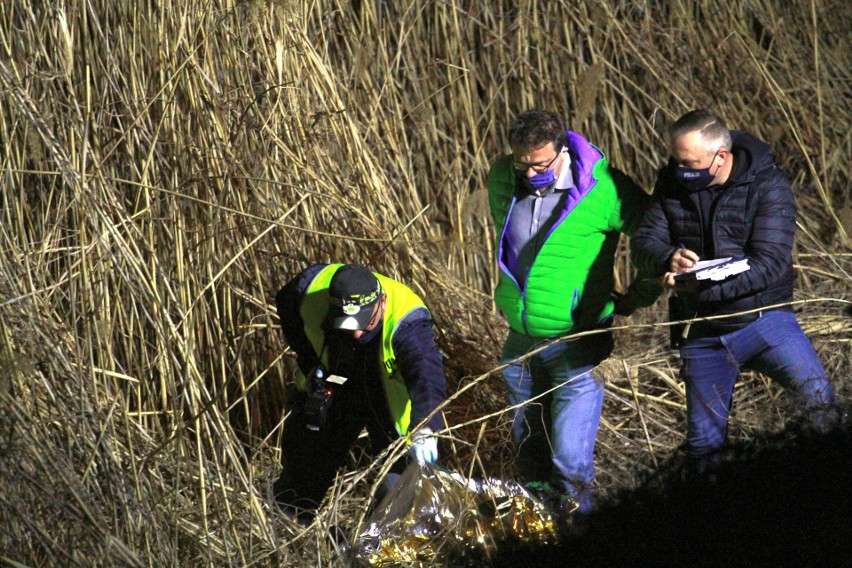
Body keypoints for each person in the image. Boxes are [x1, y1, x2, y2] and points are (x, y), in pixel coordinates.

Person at [631, 109, 840, 480]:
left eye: (689, 163)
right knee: (703, 449)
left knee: (822, 408)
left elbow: (770, 262)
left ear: (721, 157)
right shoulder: (672, 183)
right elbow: (644, 241)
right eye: (676, 160)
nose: (680, 169)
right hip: (702, 333)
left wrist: (703, 288)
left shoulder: (767, 184)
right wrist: (668, 256)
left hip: (765, 322)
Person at [486, 109, 657, 515]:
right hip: (520, 342)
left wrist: (638, 294)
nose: (529, 173)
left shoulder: (603, 189)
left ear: (562, 149)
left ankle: (580, 539)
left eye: (540, 164)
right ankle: (538, 539)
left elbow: (655, 234)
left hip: (577, 343)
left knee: (569, 463)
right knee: (529, 459)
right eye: (522, 163)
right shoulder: (502, 176)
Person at [271, 263, 447, 519]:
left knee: (399, 486)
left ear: (382, 302)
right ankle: (288, 524)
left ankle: (374, 546)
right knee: (308, 462)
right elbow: (287, 308)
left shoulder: (407, 321)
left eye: (365, 322)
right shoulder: (308, 290)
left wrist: (426, 427)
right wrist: (310, 363)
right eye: (346, 322)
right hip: (339, 381)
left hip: (385, 397)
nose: (355, 332)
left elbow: (426, 376)